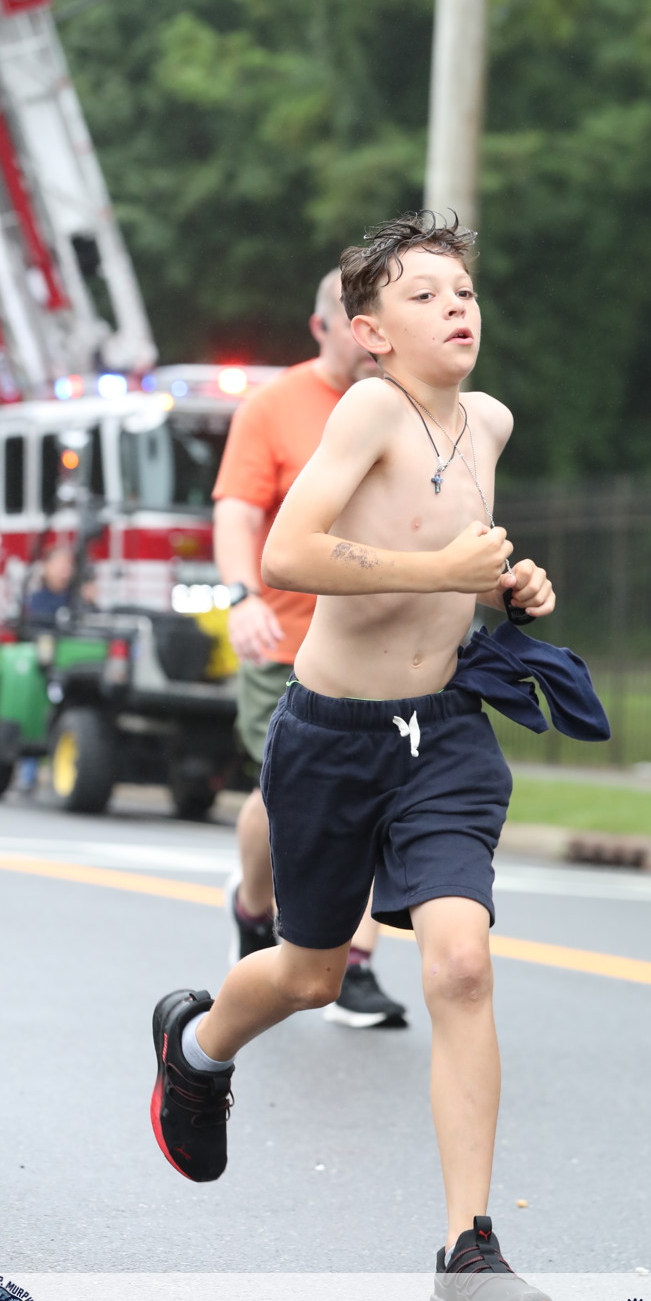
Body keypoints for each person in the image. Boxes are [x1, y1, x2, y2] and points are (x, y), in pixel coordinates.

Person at [151, 212, 597, 1301]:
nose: (457, 308)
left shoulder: (488, 422)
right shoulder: (367, 409)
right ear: (372, 332)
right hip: (332, 738)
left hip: (443, 735)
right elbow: (288, 551)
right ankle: (196, 1049)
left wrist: (509, 585)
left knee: (461, 965)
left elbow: (457, 557)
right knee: (307, 975)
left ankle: (468, 1256)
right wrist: (440, 567)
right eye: (425, 295)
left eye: (464, 292)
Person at [212, 270, 406, 1027]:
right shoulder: (274, 407)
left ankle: (353, 963)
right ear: (323, 328)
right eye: (355, 330)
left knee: (378, 799)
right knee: (281, 797)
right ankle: (253, 906)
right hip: (286, 641)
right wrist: (241, 596)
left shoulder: (407, 404)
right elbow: (237, 514)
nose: (371, 346)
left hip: (379, 647)